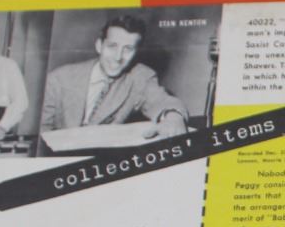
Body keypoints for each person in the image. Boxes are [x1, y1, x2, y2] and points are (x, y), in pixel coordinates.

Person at [39, 14, 186, 140]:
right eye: (112, 46)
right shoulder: (59, 78)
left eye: (128, 49)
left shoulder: (140, 77)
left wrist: (173, 116)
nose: (118, 57)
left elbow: (161, 100)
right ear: (99, 46)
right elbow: (42, 130)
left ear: (136, 52)